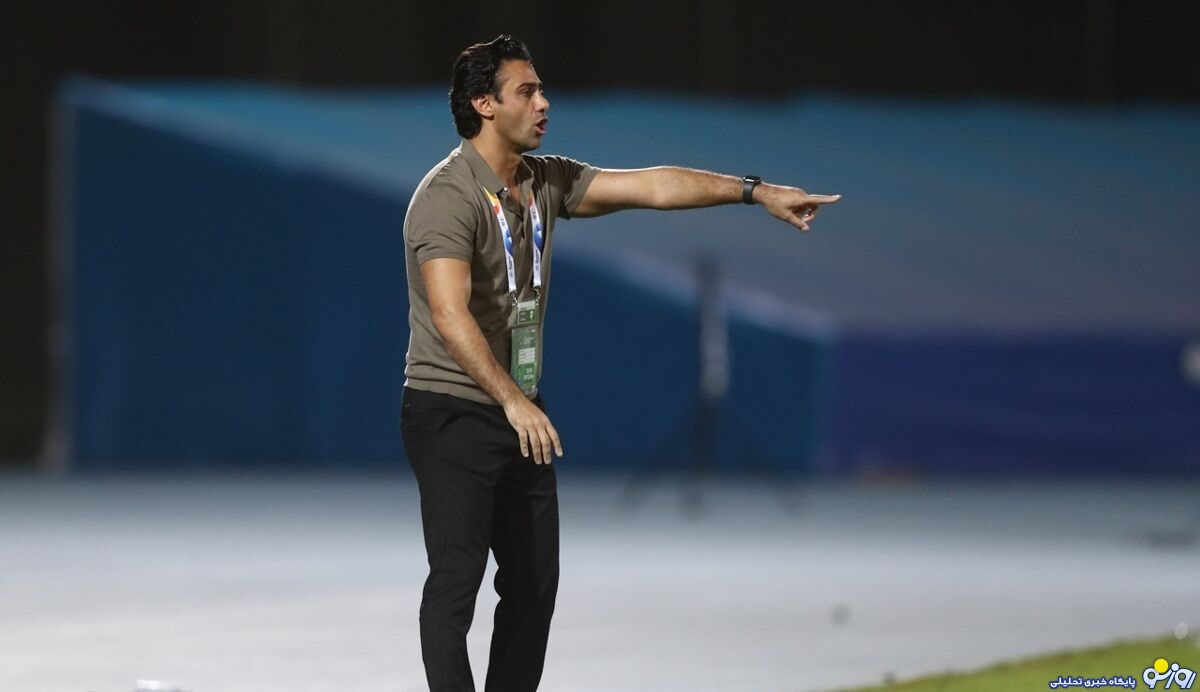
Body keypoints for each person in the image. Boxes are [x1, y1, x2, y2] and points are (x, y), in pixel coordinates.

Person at [400, 34, 841, 692]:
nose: (544, 103)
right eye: (527, 91)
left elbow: (654, 186)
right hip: (454, 409)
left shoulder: (543, 181)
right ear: (485, 104)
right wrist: (513, 401)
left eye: (542, 90)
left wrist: (755, 191)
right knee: (457, 578)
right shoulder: (447, 195)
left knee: (533, 587)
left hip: (519, 410)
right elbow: (448, 313)